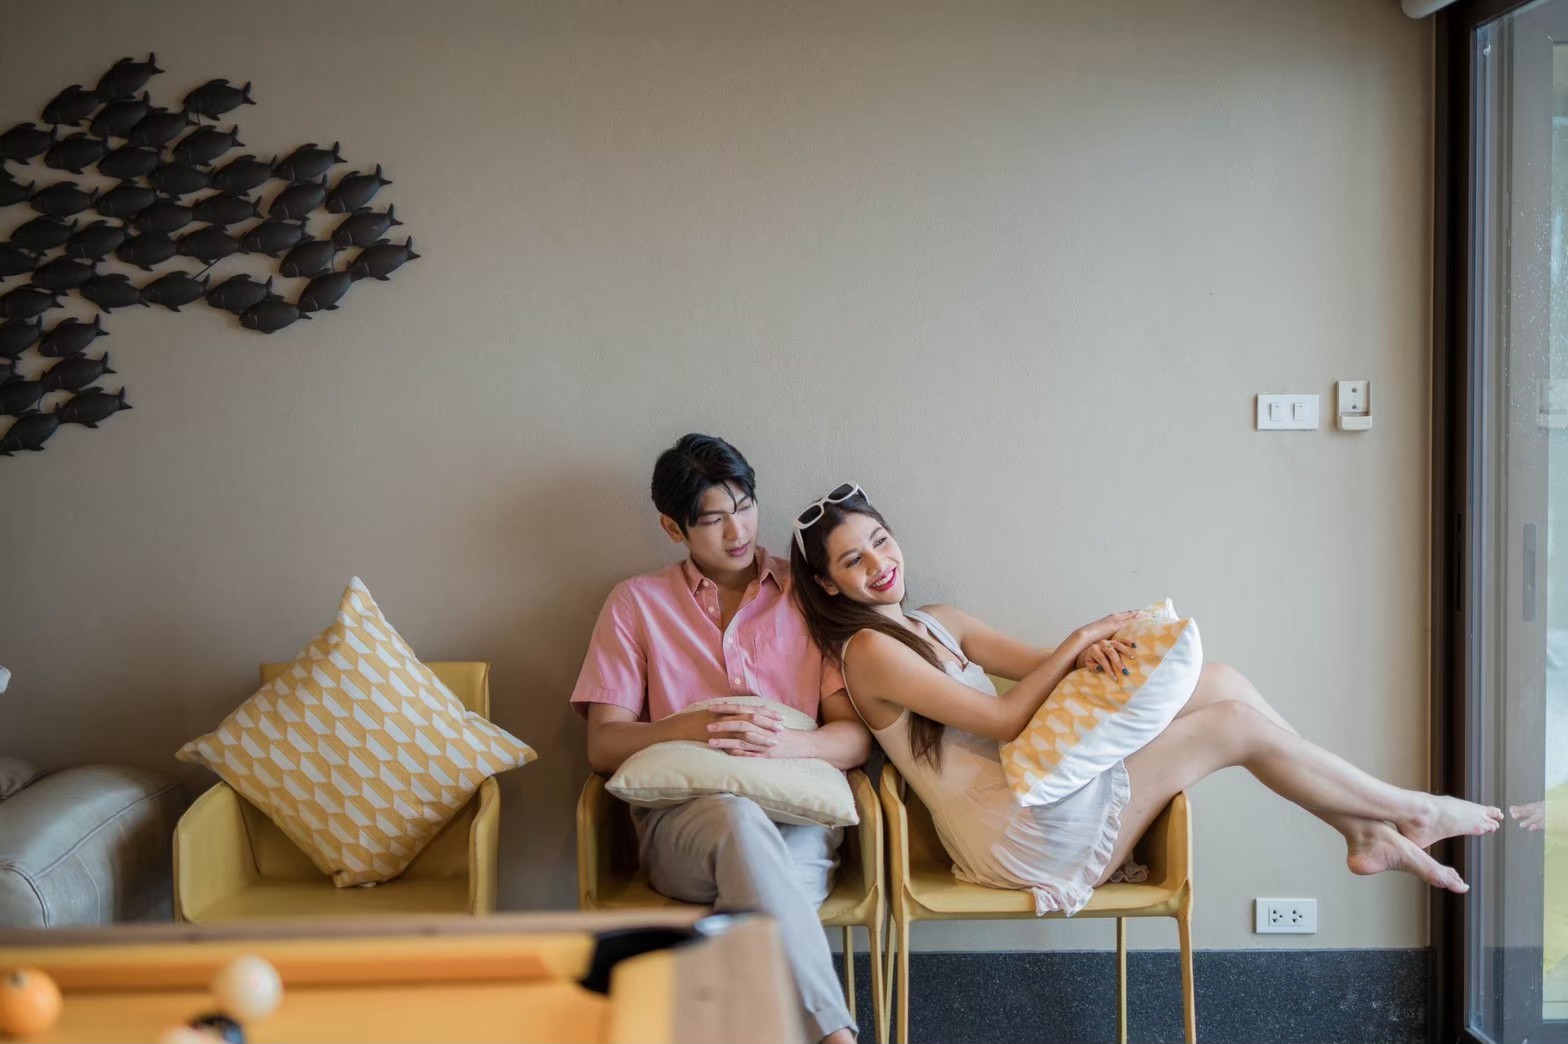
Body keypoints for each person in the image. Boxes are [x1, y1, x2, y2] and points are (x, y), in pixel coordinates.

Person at [788, 483, 1505, 913]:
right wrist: (1080, 637)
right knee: (1231, 724)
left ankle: (1366, 832)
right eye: (853, 560)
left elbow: (1043, 670)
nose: (880, 563)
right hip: (1016, 834)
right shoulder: (868, 652)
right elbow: (1006, 716)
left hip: (1032, 794)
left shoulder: (937, 621)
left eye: (880, 540)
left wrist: (1090, 654)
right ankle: (1407, 810)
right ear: (827, 584)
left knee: (1220, 681)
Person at [571, 437, 872, 1044]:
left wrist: (785, 746)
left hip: (798, 822)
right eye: (713, 520)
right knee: (740, 826)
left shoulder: (806, 593)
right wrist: (683, 729)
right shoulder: (636, 604)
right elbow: (602, 746)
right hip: (688, 827)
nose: (738, 532)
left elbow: (855, 739)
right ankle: (835, 1036)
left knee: (762, 902)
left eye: (745, 507)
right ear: (673, 527)